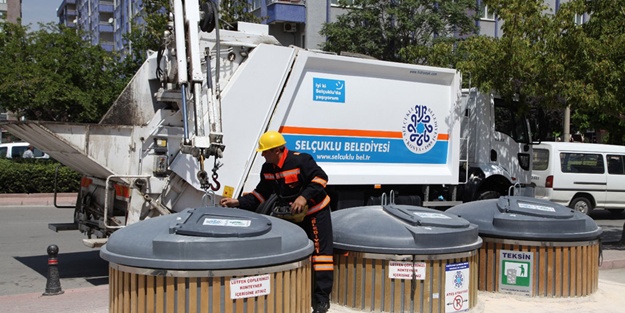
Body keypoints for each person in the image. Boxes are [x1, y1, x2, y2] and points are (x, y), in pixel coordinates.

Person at [220, 130, 334, 313]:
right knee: (293, 250)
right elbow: (260, 195)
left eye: (265, 151)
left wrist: (304, 198)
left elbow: (321, 179)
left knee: (322, 256)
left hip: (315, 212)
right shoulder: (267, 169)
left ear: (277, 150)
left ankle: (321, 300)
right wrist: (238, 202)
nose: (263, 154)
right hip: (293, 215)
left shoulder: (301, 161)